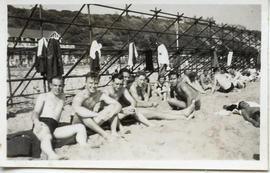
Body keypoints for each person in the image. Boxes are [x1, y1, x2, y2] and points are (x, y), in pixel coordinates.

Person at [32, 76, 87, 160]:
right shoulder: (43, 96)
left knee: (80, 127)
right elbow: (35, 112)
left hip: (54, 127)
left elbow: (69, 108)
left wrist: (74, 112)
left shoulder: (62, 98)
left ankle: (84, 147)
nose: (57, 88)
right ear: (50, 85)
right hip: (43, 123)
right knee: (47, 136)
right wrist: (36, 122)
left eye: (60, 86)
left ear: (63, 86)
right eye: (55, 85)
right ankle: (52, 156)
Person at [72, 72, 122, 140]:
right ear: (85, 83)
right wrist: (96, 114)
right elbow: (78, 110)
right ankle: (105, 135)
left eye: (95, 83)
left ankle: (113, 132)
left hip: (92, 124)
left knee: (113, 106)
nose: (93, 86)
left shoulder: (99, 94)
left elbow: (118, 104)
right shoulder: (80, 96)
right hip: (78, 125)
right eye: (90, 83)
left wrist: (112, 113)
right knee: (83, 115)